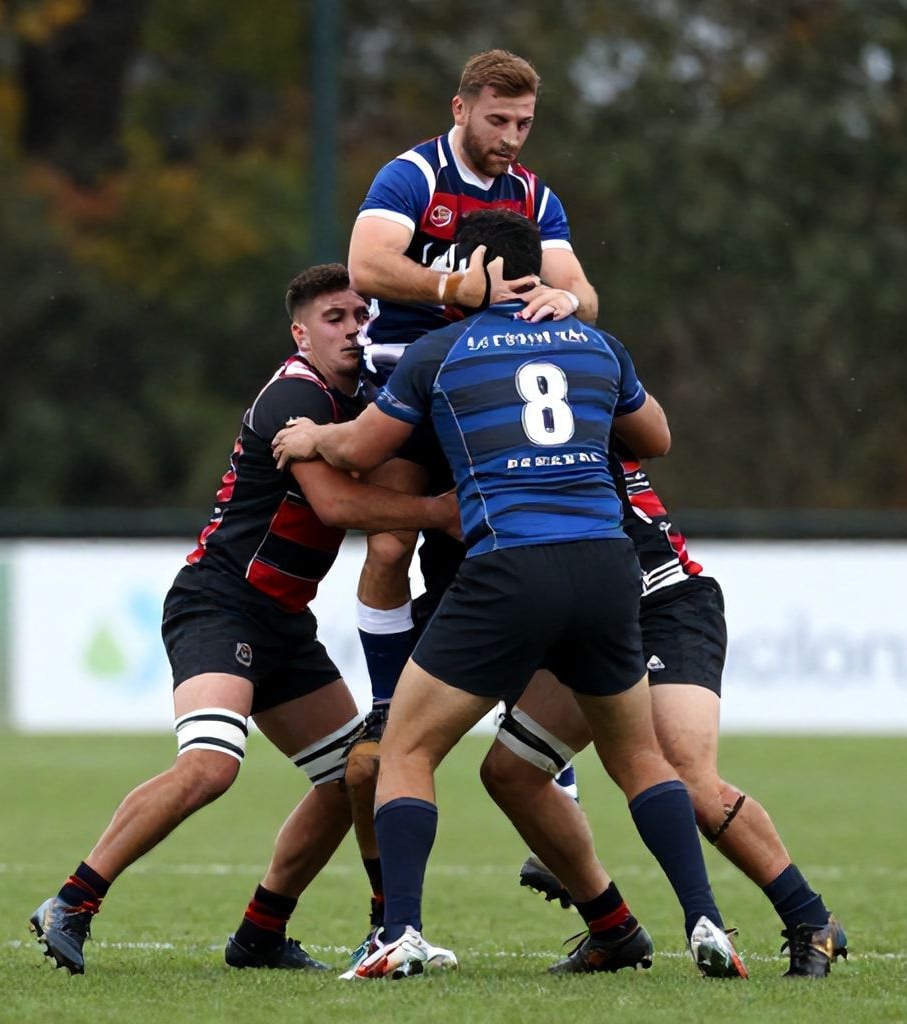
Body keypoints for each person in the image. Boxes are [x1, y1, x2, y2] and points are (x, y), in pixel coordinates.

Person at [275, 210, 745, 980]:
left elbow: (360, 448)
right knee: (638, 757)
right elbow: (655, 438)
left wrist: (311, 441)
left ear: (473, 266)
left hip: (511, 570)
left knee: (408, 749)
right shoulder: (597, 344)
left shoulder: (441, 350)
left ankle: (399, 932)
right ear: (546, 274)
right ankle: (707, 920)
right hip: (606, 567)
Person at [26, 264, 459, 976]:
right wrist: (439, 513)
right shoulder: (295, 393)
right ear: (300, 332)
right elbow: (338, 509)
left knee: (357, 774)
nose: (353, 329)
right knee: (210, 766)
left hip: (284, 620)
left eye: (360, 316)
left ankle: (265, 934)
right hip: (219, 600)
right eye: (334, 318)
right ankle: (72, 901)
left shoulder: (367, 401)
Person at [341, 44, 597, 952]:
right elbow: (368, 265)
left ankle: (547, 768)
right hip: (411, 385)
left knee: (525, 562)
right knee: (384, 548)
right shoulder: (413, 174)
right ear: (462, 108)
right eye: (498, 121)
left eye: (524, 124)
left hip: (495, 387)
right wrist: (457, 286)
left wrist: (566, 306)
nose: (511, 139)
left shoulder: (532, 192)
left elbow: (584, 290)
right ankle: (383, 704)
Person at [481, 445, 849, 977]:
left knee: (688, 775)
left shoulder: (558, 394)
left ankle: (810, 919)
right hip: (592, 617)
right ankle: (613, 929)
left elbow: (655, 431)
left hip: (665, 605)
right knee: (510, 771)